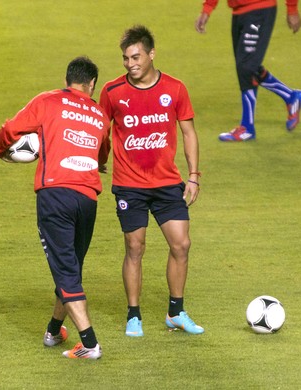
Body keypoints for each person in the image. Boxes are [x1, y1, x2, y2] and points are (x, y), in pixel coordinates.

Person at [0, 56, 109, 359]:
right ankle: (54, 330)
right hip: (88, 198)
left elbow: (10, 128)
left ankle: (90, 344)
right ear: (91, 84)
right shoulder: (98, 113)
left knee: (67, 272)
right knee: (72, 266)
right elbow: (103, 153)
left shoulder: (48, 101)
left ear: (68, 78)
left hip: (56, 195)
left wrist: (0, 151)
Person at [99, 25, 204, 337]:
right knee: (135, 246)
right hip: (129, 184)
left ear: (151, 54)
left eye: (136, 57)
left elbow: (189, 132)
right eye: (125, 59)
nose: (130, 64)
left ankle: (176, 311)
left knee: (181, 244)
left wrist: (194, 176)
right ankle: (134, 315)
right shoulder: (112, 91)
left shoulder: (174, 88)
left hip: (166, 183)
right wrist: (100, 159)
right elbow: (100, 129)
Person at [195, 0, 301, 141]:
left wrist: (292, 9)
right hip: (239, 12)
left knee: (246, 67)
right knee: (248, 66)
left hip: (260, 9)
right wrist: (207, 9)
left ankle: (247, 127)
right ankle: (291, 96)